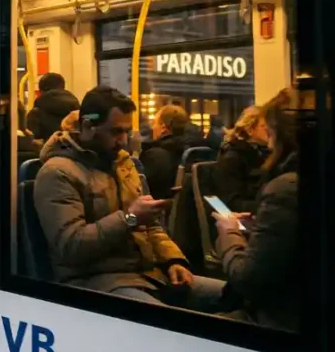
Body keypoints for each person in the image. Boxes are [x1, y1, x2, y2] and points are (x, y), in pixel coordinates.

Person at [34, 86, 223, 310]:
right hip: (97, 280)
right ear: (87, 126)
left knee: (236, 295)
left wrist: (173, 260)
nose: (124, 141)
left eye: (127, 131)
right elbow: (71, 246)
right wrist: (130, 218)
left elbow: (151, 225)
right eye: (115, 132)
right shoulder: (58, 173)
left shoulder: (123, 163)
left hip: (149, 274)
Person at [212, 89, 300, 331]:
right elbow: (228, 199)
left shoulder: (285, 187)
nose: (268, 139)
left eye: (269, 130)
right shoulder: (234, 158)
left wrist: (230, 233)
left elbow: (249, 280)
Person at [211, 106, 270, 214]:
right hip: (244, 218)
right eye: (264, 126)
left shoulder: (268, 154)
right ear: (250, 130)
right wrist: (265, 207)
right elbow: (230, 202)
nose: (269, 130)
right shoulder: (233, 158)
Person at [139, 104, 194, 200]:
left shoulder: (155, 155)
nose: (153, 128)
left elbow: (145, 192)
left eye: (155, 123)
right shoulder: (191, 151)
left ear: (163, 127)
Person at [26, 72, 81, 143]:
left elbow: (32, 142)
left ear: (41, 91)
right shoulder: (77, 111)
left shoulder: (35, 113)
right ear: (63, 87)